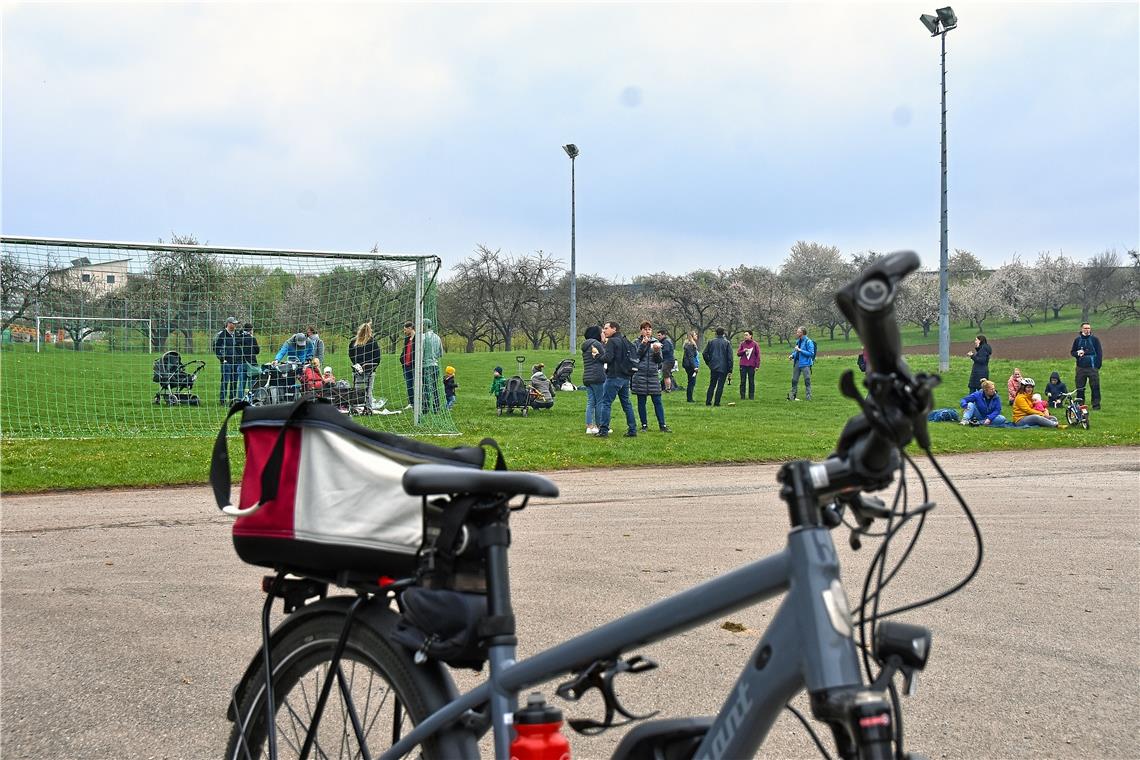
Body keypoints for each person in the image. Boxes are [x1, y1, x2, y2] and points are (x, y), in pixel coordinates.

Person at [597, 321, 638, 438]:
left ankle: (603, 430)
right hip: (625, 377)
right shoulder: (625, 341)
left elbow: (608, 358)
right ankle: (632, 429)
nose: (604, 331)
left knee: (606, 403)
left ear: (614, 329)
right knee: (627, 404)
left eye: (606, 328)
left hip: (614, 376)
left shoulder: (612, 341)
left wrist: (597, 356)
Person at [632, 322, 671, 432]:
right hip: (640, 375)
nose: (647, 331)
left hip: (653, 375)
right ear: (641, 331)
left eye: (649, 329)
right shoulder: (635, 342)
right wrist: (643, 344)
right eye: (645, 329)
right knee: (641, 401)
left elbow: (659, 362)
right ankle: (644, 425)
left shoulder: (656, 342)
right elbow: (635, 358)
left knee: (657, 400)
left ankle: (662, 425)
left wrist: (657, 352)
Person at [348, 321, 381, 409]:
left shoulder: (353, 342)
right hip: (370, 368)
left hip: (357, 368)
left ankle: (355, 406)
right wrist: (373, 366)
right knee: (369, 390)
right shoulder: (373, 342)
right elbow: (377, 357)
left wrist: (356, 363)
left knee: (357, 388)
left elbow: (351, 355)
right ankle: (368, 407)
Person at [1070, 322, 1103, 410]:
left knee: (1095, 387)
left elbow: (1099, 353)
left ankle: (1096, 405)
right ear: (1081, 329)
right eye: (1085, 328)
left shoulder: (1095, 339)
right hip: (1080, 368)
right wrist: (1077, 353)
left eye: (1088, 328)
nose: (1087, 330)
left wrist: (1097, 366)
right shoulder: (1077, 340)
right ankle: (1080, 405)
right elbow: (1072, 352)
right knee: (1080, 388)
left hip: (1092, 368)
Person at [581, 326, 607, 434]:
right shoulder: (597, 344)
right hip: (597, 376)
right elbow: (605, 356)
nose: (603, 334)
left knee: (590, 402)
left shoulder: (585, 345)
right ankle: (600, 425)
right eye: (602, 332)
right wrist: (605, 343)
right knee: (600, 401)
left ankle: (589, 426)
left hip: (587, 376)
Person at [212, 317, 241, 405]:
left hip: (236, 362)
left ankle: (232, 399)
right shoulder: (221, 334)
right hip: (226, 362)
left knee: (235, 381)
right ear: (228, 323)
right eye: (233, 323)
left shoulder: (237, 334)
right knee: (225, 381)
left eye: (236, 324)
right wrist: (221, 358)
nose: (235, 325)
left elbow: (240, 347)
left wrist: (240, 357)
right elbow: (216, 347)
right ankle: (222, 400)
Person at [702, 327, 733, 406]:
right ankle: (717, 402)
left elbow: (704, 353)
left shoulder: (711, 342)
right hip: (724, 367)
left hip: (713, 366)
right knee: (720, 385)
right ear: (723, 333)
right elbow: (730, 357)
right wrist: (730, 369)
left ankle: (708, 401)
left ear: (716, 333)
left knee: (712, 384)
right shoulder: (727, 343)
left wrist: (709, 362)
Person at [420, 318, 444, 413]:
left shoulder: (422, 337)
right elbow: (441, 353)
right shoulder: (437, 337)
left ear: (425, 325)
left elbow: (420, 353)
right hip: (435, 365)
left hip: (425, 365)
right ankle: (436, 408)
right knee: (434, 387)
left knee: (425, 387)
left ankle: (425, 408)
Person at [787, 326, 816, 401]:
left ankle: (808, 397)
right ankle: (792, 396)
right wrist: (792, 356)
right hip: (797, 363)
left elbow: (811, 353)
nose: (796, 333)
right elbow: (795, 351)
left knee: (807, 380)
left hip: (805, 364)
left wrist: (800, 350)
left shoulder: (809, 342)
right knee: (794, 380)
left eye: (798, 332)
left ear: (802, 333)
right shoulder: (798, 341)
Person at [236, 322, 260, 402]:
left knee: (241, 384)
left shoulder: (238, 338)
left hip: (241, 362)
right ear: (251, 330)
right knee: (252, 384)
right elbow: (257, 351)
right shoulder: (252, 339)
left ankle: (240, 400)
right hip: (251, 363)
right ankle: (251, 399)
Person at [736, 330, 760, 400]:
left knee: (751, 381)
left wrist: (757, 365)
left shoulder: (755, 344)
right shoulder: (742, 344)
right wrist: (743, 351)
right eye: (744, 335)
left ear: (751, 336)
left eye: (746, 335)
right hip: (743, 365)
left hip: (751, 366)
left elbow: (758, 355)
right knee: (743, 381)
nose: (745, 336)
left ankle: (751, 396)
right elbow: (738, 354)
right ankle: (742, 396)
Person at [400, 321, 416, 409]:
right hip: (406, 366)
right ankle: (411, 402)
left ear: (410, 328)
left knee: (417, 384)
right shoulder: (406, 339)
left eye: (405, 330)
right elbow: (405, 351)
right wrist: (402, 359)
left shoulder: (418, 338)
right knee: (409, 384)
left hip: (414, 365)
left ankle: (419, 402)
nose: (404, 332)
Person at [681, 331, 700, 403]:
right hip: (690, 366)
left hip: (689, 365)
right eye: (695, 334)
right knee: (691, 382)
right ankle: (689, 399)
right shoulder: (690, 345)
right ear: (692, 336)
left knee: (691, 381)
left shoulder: (690, 345)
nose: (696, 335)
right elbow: (691, 357)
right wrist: (695, 367)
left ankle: (689, 398)